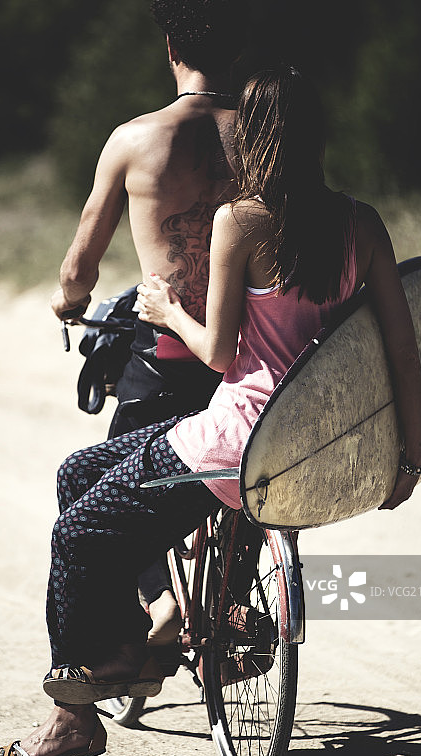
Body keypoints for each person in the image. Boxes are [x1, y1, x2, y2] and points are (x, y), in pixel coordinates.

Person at [0, 65, 421, 756]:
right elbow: (404, 349)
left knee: (76, 530)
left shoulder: (243, 221)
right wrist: (410, 455)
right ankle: (136, 641)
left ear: (253, 137)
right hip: (311, 438)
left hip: (231, 442)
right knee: (80, 470)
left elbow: (220, 354)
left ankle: (82, 706)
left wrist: (165, 312)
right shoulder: (361, 223)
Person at [51, 0, 251, 645]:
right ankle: (235, 601)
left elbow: (81, 264)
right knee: (249, 476)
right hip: (258, 354)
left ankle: (159, 605)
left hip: (171, 354)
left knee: (114, 481)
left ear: (171, 48)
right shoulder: (271, 134)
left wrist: (69, 302)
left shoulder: (136, 140)